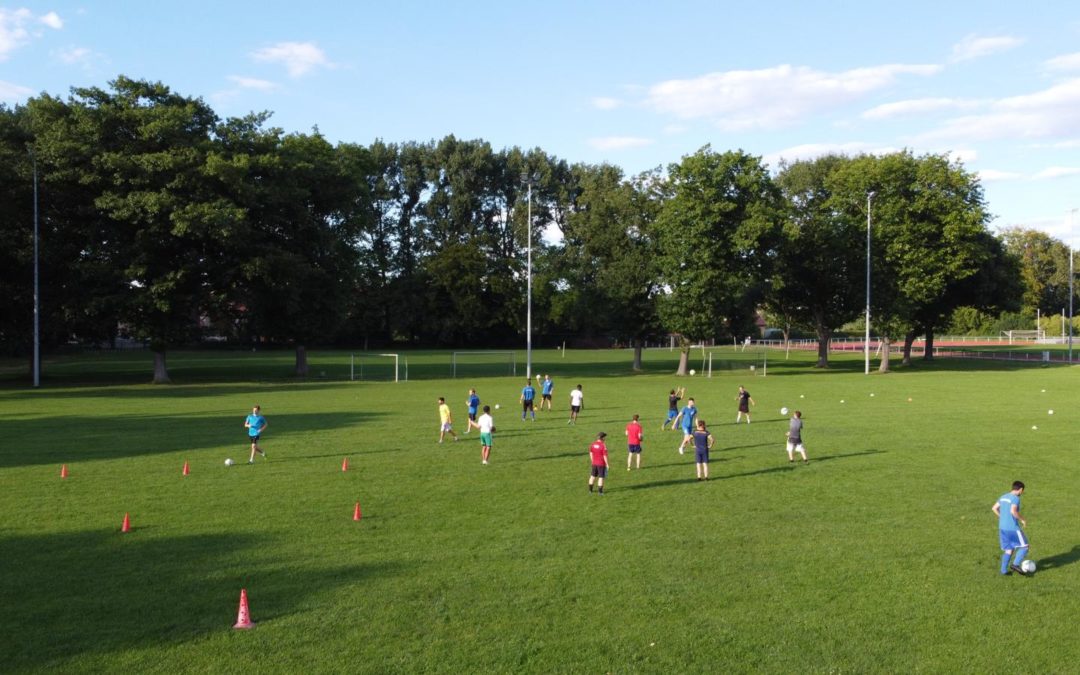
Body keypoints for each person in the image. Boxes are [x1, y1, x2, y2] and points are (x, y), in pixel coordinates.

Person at [992, 481, 1030, 575]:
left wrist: (1002, 517)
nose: (1022, 493)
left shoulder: (1003, 496)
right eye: (1022, 491)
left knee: (1009, 549)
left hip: (1002, 528)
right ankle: (1015, 564)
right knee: (1025, 546)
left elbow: (994, 508)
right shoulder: (1015, 498)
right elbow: (1013, 511)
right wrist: (1022, 520)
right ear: (1020, 489)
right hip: (1012, 528)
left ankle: (1003, 571)